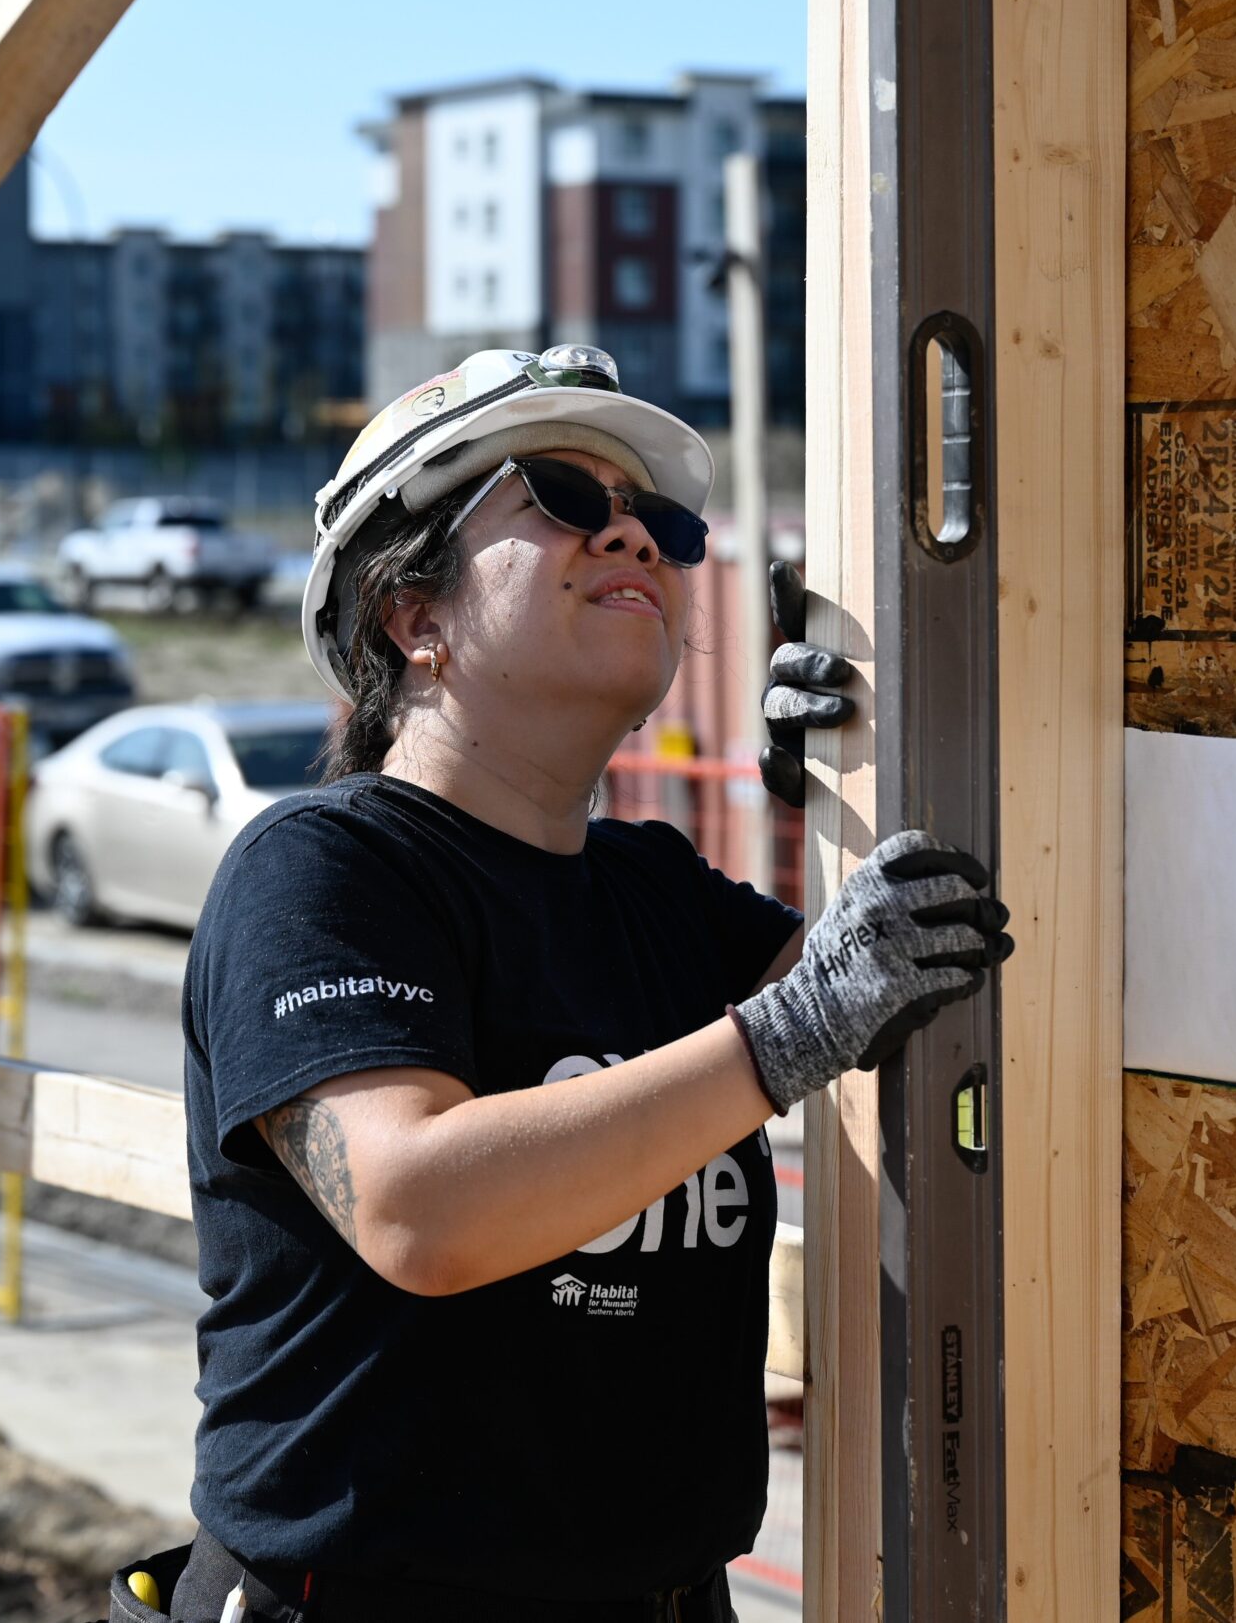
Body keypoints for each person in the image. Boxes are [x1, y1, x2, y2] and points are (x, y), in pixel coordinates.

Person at [159, 346, 1009, 1622]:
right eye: (560, 494)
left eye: (660, 524)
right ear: (414, 616)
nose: (634, 534)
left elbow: (929, 987)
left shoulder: (656, 888)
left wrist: (852, 785)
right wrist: (787, 1034)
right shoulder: (322, 871)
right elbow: (418, 1210)